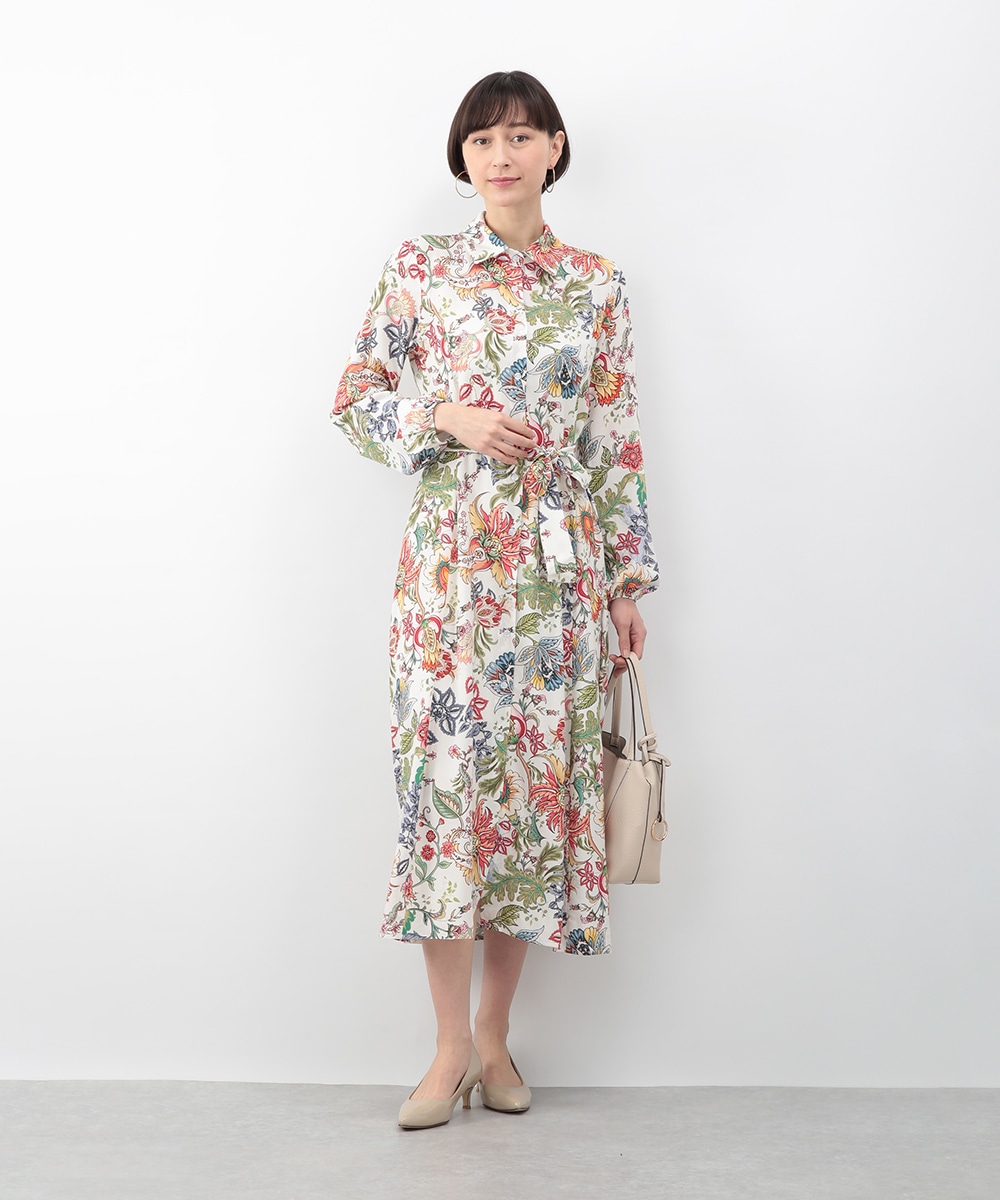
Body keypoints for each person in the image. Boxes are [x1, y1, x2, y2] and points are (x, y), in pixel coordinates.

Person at [329, 70, 660, 1129]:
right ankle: (442, 1051)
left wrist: (625, 584)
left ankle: (493, 1039)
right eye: (482, 139)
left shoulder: (597, 284)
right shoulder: (421, 267)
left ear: (554, 146)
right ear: (461, 156)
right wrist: (448, 419)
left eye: (520, 135)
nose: (501, 156)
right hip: (450, 573)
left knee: (530, 803)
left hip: (557, 578)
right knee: (447, 796)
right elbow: (355, 401)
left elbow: (614, 439)